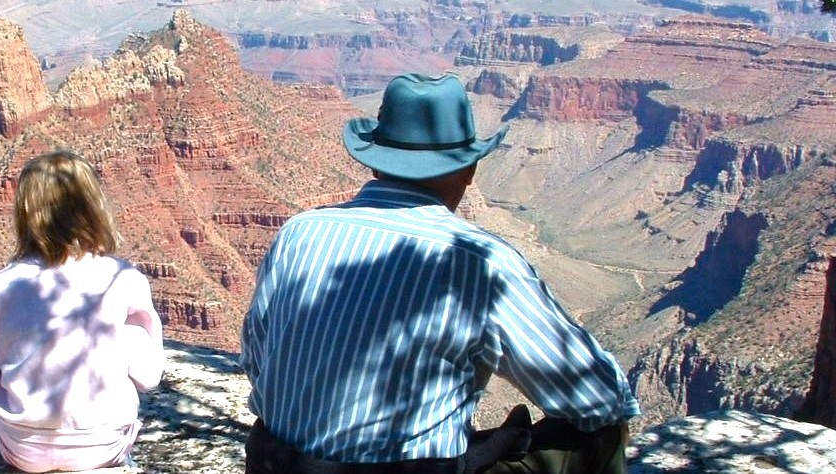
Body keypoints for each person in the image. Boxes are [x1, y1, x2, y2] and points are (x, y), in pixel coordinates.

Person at [239, 74, 640, 474]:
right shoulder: (481, 263)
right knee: (599, 434)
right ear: (470, 171)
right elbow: (600, 396)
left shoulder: (299, 231)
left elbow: (257, 358)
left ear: (376, 165)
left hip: (275, 463)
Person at [0, 150, 164, 472]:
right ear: (94, 209)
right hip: (103, 444)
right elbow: (149, 376)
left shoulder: (1, 286)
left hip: (22, 448)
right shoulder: (123, 280)